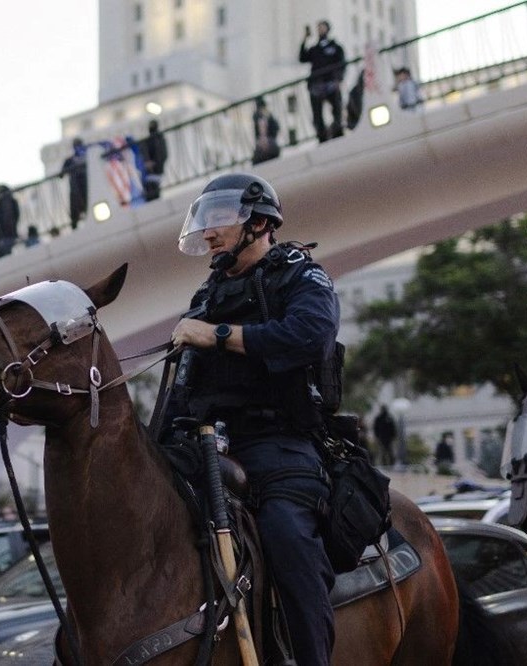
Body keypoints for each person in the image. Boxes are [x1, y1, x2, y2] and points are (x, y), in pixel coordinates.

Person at [170, 173, 339, 666]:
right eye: (204, 221)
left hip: (282, 444)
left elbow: (309, 335)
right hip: (206, 447)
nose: (207, 232)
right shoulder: (208, 292)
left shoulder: (302, 275)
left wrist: (216, 334)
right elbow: (183, 383)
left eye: (219, 219)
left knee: (288, 540)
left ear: (260, 223)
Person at [299, 20, 346, 143]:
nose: (320, 30)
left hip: (331, 83)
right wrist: (305, 39)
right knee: (317, 113)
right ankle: (321, 136)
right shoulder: (315, 49)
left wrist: (339, 80)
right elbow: (302, 57)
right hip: (316, 84)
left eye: (322, 27)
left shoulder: (335, 47)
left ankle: (337, 131)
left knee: (336, 108)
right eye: (318, 28)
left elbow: (341, 64)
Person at [59, 137, 88, 229]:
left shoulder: (87, 157)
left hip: (86, 191)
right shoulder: (70, 161)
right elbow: (61, 175)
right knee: (75, 216)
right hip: (76, 192)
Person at [139, 119, 168, 201]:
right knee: (151, 193)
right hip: (153, 171)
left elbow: (162, 154)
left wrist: (153, 164)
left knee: (153, 194)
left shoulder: (158, 139)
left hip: (154, 171)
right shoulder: (156, 139)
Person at [0, 184, 20, 258]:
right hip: (6, 235)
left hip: (6, 235)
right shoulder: (6, 202)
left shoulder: (6, 202)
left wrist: (0, 232)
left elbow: (7, 220)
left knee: (5, 257)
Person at [251, 96, 281, 165]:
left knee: (256, 163)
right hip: (273, 144)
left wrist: (263, 141)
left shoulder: (259, 114)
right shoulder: (268, 113)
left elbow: (262, 125)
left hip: (268, 144)